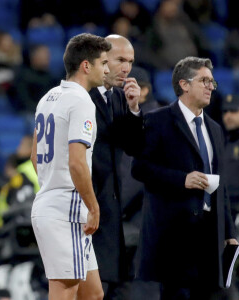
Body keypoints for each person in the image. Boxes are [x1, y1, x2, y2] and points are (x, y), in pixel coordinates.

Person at [132, 56, 238, 300]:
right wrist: (182, 179)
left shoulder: (215, 128)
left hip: (209, 236)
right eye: (204, 80)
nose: (211, 86)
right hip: (173, 238)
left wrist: (229, 231)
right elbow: (140, 169)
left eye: (212, 82)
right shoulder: (157, 121)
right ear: (184, 84)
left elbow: (220, 185)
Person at [30, 33, 111, 300]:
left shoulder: (48, 98)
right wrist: (93, 205)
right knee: (65, 290)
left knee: (93, 294)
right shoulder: (81, 101)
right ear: (86, 66)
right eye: (103, 63)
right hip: (67, 208)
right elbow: (76, 163)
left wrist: (52, 187)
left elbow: (34, 157)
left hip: (52, 203)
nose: (107, 69)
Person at [89, 34, 143, 299]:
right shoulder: (81, 95)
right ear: (102, 60)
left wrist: (133, 110)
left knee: (110, 287)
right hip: (87, 206)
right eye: (120, 60)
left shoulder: (119, 98)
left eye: (130, 62)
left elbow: (132, 147)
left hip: (110, 208)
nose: (127, 68)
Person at [222, 94, 239, 209]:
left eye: (234, 111)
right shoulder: (228, 140)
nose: (228, 116)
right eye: (225, 111)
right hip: (231, 211)